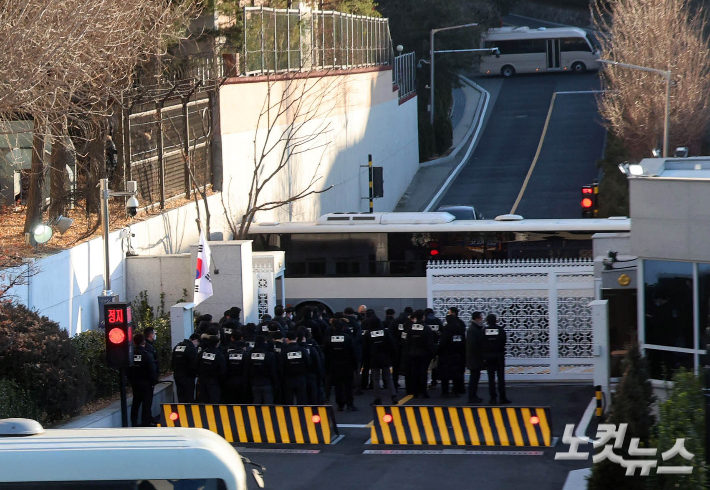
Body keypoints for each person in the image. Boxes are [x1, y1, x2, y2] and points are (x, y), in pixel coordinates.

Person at [324, 319, 359, 411]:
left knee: (337, 386)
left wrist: (327, 367)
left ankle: (340, 404)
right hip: (347, 365)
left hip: (334, 366)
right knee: (348, 386)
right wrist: (355, 366)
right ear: (343, 328)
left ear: (334, 327)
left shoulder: (329, 339)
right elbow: (353, 353)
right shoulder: (348, 338)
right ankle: (350, 404)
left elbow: (326, 355)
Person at [363, 316, 398, 405]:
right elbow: (391, 344)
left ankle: (377, 398)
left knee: (375, 379)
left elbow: (365, 348)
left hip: (374, 358)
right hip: (385, 357)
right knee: (388, 378)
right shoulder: (385, 332)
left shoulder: (368, 333)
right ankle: (393, 396)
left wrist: (366, 360)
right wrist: (392, 356)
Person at [128, 333, 158, 427]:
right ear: (144, 342)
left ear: (134, 342)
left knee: (135, 404)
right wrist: (153, 382)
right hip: (146, 384)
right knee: (146, 404)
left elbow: (127, 370)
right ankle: (146, 423)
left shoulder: (130, 355)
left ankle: (134, 423)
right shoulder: (147, 355)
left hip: (135, 383)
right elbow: (152, 371)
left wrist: (131, 380)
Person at [482, 314, 510, 405]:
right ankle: (502, 397)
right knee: (501, 378)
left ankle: (493, 398)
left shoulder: (484, 331)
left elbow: (481, 342)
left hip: (489, 356)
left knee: (491, 378)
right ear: (496, 320)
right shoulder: (500, 330)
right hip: (499, 356)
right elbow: (504, 342)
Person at [406, 310, 435, 398]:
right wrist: (432, 354)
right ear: (423, 317)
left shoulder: (410, 327)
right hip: (424, 354)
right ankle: (424, 392)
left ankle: (415, 392)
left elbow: (407, 341)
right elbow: (430, 343)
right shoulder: (426, 328)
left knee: (414, 373)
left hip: (412, 353)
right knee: (423, 373)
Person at [438, 314, 466, 398]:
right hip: (456, 355)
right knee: (455, 375)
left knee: (445, 376)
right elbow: (461, 342)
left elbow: (442, 344)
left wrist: (438, 352)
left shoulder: (446, 330)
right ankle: (456, 391)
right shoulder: (458, 330)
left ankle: (445, 391)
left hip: (446, 356)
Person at [247, 335, 279, 404]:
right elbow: (273, 371)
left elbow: (247, 369)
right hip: (267, 383)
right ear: (265, 342)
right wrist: (276, 383)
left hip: (254, 383)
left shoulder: (250, 354)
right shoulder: (270, 355)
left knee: (256, 403)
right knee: (268, 405)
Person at [197, 327, 226, 403]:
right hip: (214, 382)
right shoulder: (219, 355)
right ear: (217, 343)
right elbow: (222, 370)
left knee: (203, 401)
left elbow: (196, 365)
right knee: (214, 403)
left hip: (202, 381)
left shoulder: (202, 353)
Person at [280, 331, 310, 405]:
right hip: (301, 378)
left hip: (288, 379)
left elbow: (281, 365)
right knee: (302, 399)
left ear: (287, 339)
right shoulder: (302, 350)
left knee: (289, 400)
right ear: (296, 338)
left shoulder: (284, 351)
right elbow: (308, 363)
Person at [298, 327, 323, 404]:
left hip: (300, 375)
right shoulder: (312, 345)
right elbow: (319, 359)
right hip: (312, 374)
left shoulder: (296, 347)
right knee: (313, 395)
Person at [224, 330, 251, 404]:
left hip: (230, 380)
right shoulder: (246, 355)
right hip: (242, 380)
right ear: (244, 347)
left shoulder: (228, 354)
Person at [172, 333, 199, 403]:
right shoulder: (191, 348)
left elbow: (172, 362)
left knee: (180, 396)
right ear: (195, 341)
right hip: (188, 377)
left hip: (177, 375)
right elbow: (193, 364)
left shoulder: (177, 346)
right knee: (189, 398)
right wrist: (194, 375)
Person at [389, 306, 412, 389]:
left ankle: (395, 383)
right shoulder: (409, 322)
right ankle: (409, 386)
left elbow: (390, 334)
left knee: (396, 366)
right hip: (407, 347)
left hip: (396, 347)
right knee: (408, 367)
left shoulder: (395, 321)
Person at [447, 307, 467, 394]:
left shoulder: (451, 325)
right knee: (460, 370)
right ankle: (461, 388)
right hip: (461, 350)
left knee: (455, 371)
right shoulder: (461, 323)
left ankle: (456, 388)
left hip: (453, 351)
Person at [343, 307, 363, 395]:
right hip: (355, 350)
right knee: (356, 370)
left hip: (344, 350)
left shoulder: (342, 324)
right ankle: (357, 388)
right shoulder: (356, 324)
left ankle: (346, 386)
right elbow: (359, 338)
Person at [466, 312, 485, 404]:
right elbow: (473, 346)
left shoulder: (474, 329)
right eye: (481, 317)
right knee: (474, 378)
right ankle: (472, 397)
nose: (482, 319)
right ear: (477, 318)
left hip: (474, 358)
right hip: (474, 358)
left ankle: (473, 396)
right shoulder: (473, 330)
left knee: (475, 377)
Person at [424, 308, 443, 389]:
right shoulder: (438, 321)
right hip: (435, 345)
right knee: (434, 365)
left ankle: (424, 382)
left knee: (425, 365)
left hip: (426, 346)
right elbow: (442, 332)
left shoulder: (425, 322)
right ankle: (434, 381)